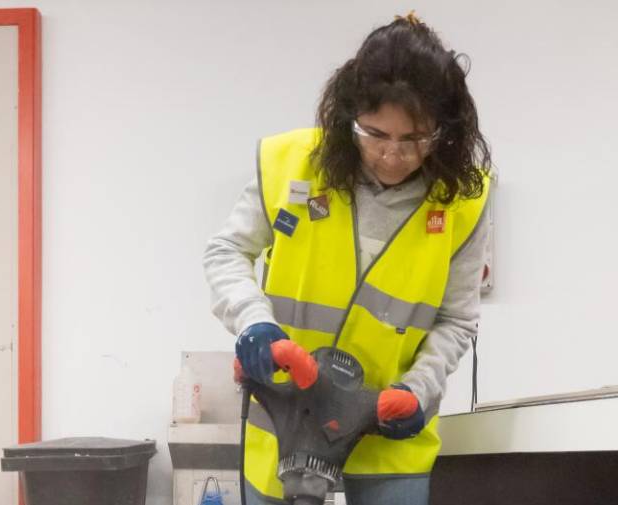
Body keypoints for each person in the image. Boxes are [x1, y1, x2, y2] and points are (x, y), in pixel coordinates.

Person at [203, 10, 492, 505]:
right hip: (287, 423)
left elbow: (456, 318)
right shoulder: (289, 164)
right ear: (347, 119)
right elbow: (226, 250)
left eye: (415, 139)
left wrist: (419, 391)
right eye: (375, 135)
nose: (393, 156)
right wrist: (254, 322)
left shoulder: (463, 201)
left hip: (385, 437)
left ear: (446, 128)